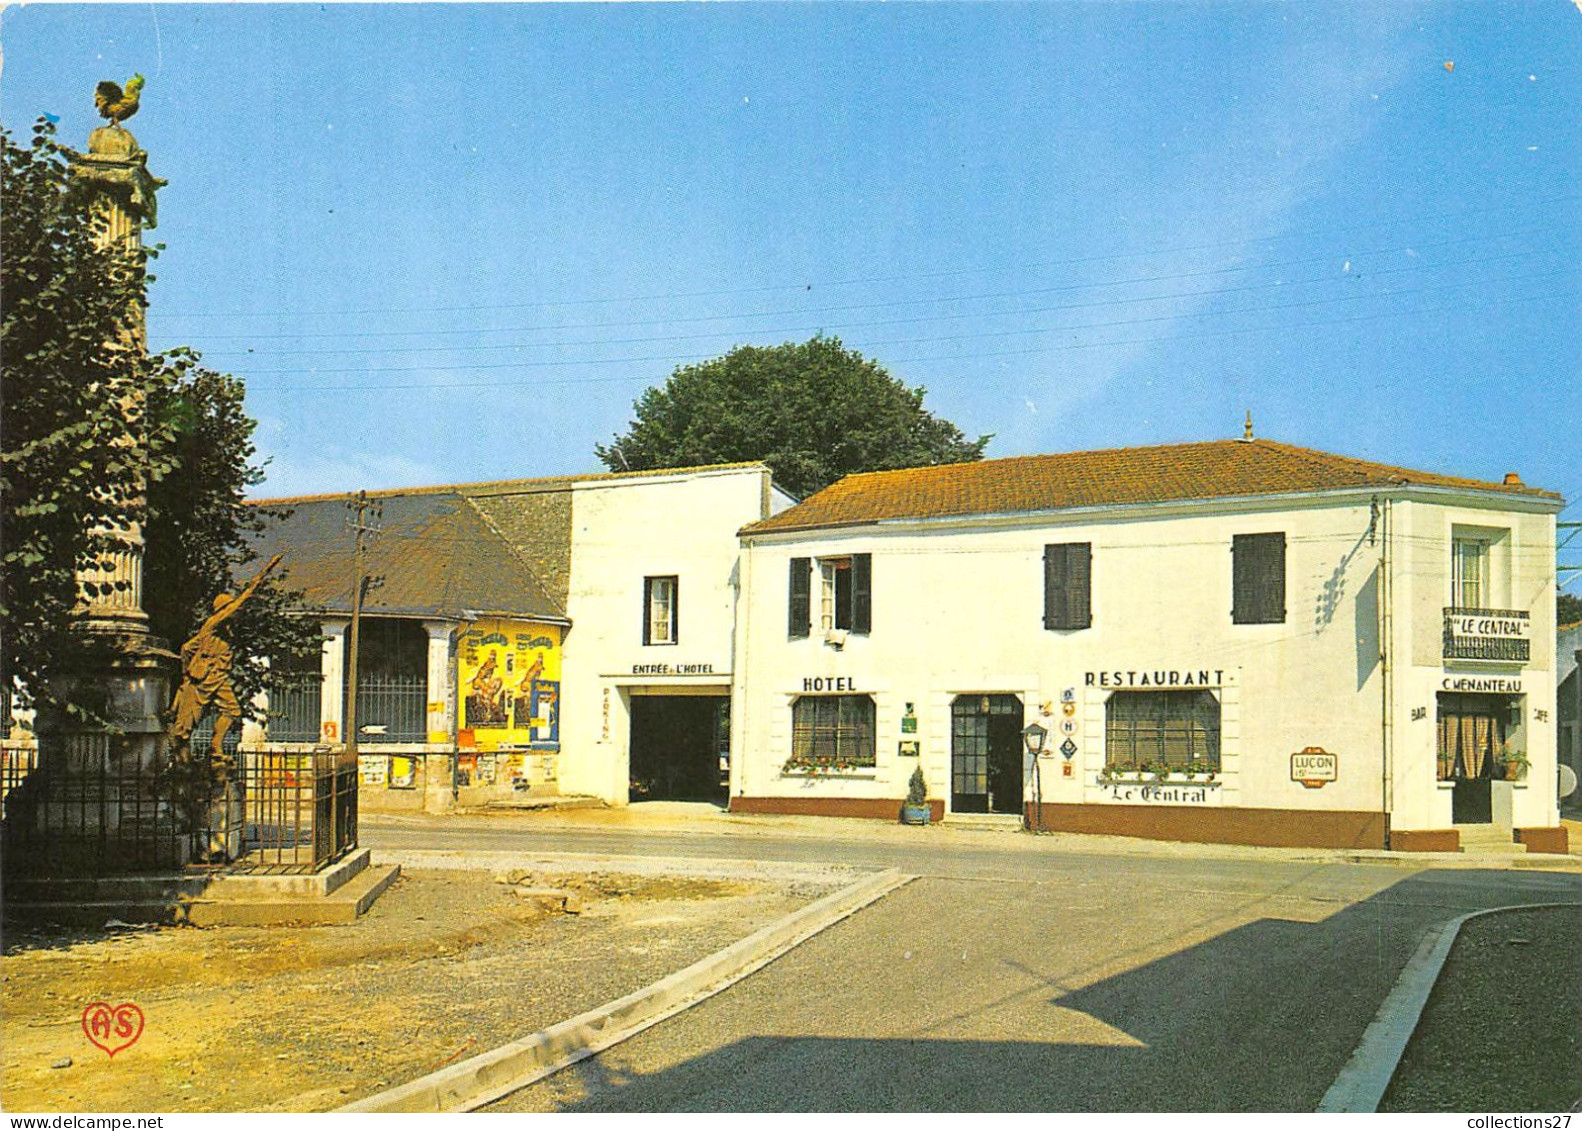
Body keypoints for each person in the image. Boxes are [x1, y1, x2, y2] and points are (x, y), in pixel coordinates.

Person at [168, 554, 283, 768]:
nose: (234, 615)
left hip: (218, 678)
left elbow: (186, 648)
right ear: (222, 612)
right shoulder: (212, 624)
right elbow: (234, 607)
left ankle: (215, 747)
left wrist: (186, 668)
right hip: (202, 679)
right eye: (229, 610)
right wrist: (256, 583)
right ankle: (180, 759)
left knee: (233, 710)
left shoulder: (222, 634)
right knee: (185, 725)